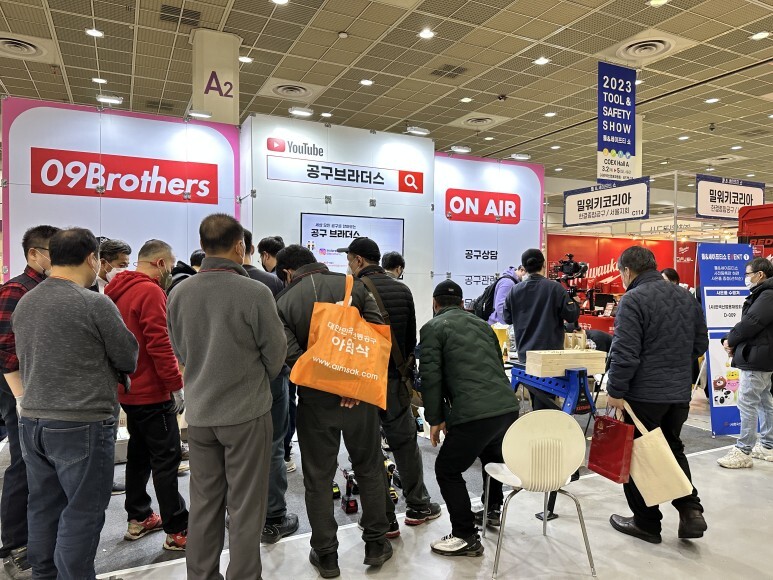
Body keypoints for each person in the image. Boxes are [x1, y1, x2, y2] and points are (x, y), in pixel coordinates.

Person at [12, 227, 139, 579]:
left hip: (32, 420)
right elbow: (128, 356)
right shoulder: (94, 303)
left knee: (43, 506)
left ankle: (44, 575)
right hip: (81, 422)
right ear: (91, 258)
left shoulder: (27, 301)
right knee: (82, 512)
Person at [167, 214, 287, 580]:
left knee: (204, 503)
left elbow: (180, 351)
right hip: (246, 414)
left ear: (203, 246)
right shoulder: (254, 292)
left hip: (200, 415)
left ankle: (201, 575)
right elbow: (276, 355)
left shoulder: (178, 293)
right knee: (246, 505)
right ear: (240, 247)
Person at [275, 245, 392, 578]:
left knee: (318, 477)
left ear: (287, 273)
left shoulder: (283, 302)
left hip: (315, 402)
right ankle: (376, 543)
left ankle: (326, 554)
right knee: (369, 467)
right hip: (359, 397)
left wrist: (328, 382)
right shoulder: (353, 285)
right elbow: (377, 335)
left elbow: (292, 357)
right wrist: (351, 382)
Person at [605, 246, 708, 544]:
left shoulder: (633, 299)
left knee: (638, 455)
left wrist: (615, 391)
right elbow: (699, 343)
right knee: (672, 448)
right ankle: (690, 509)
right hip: (678, 393)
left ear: (627, 271)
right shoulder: (685, 297)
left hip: (643, 394)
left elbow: (625, 353)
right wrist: (673, 364)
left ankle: (646, 523)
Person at [341, 237, 441, 535]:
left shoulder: (351, 290)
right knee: (405, 443)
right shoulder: (402, 289)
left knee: (369, 449)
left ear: (359, 260)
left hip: (363, 383)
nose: (349, 265)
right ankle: (419, 505)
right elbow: (410, 339)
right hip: (396, 379)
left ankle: (383, 518)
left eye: (349, 260)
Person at [419, 280, 519, 557]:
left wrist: (435, 419)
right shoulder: (483, 325)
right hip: (506, 408)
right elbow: (497, 364)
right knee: (491, 458)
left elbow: (431, 378)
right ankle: (492, 511)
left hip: (474, 413)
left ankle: (465, 535)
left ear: (435, 303)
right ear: (463, 303)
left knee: (447, 470)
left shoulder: (432, 328)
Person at [105, 239, 189, 551]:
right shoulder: (150, 292)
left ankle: (139, 517)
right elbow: (159, 343)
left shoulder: (115, 291)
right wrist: (175, 384)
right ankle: (177, 529)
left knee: (138, 456)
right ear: (160, 263)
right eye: (171, 264)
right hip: (153, 392)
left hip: (128, 391)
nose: (171, 271)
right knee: (166, 460)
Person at [0, 225, 59, 577]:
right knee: (23, 463)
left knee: (40, 465)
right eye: (53, 251)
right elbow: (6, 348)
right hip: (20, 388)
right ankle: (15, 542)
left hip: (44, 389)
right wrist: (21, 395)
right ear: (34, 254)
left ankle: (36, 540)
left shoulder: (51, 288)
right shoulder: (17, 289)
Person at [242, 229, 299, 543]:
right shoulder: (271, 283)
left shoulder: (190, 288)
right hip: (271, 377)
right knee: (274, 444)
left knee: (235, 447)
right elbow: (281, 338)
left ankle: (241, 513)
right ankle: (274, 515)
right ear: (250, 248)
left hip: (227, 383)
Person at [718, 257, 773, 468]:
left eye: (748, 274)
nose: (745, 278)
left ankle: (743, 450)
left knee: (748, 402)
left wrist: (730, 340)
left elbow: (751, 323)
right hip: (762, 356)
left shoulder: (767, 295)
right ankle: (767, 445)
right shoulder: (764, 293)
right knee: (764, 401)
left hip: (757, 358)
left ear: (760, 274)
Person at [504, 248, 579, 370]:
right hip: (551, 358)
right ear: (544, 264)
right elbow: (571, 316)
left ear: (524, 268)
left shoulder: (514, 290)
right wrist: (575, 302)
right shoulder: (556, 288)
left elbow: (507, 318)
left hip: (525, 357)